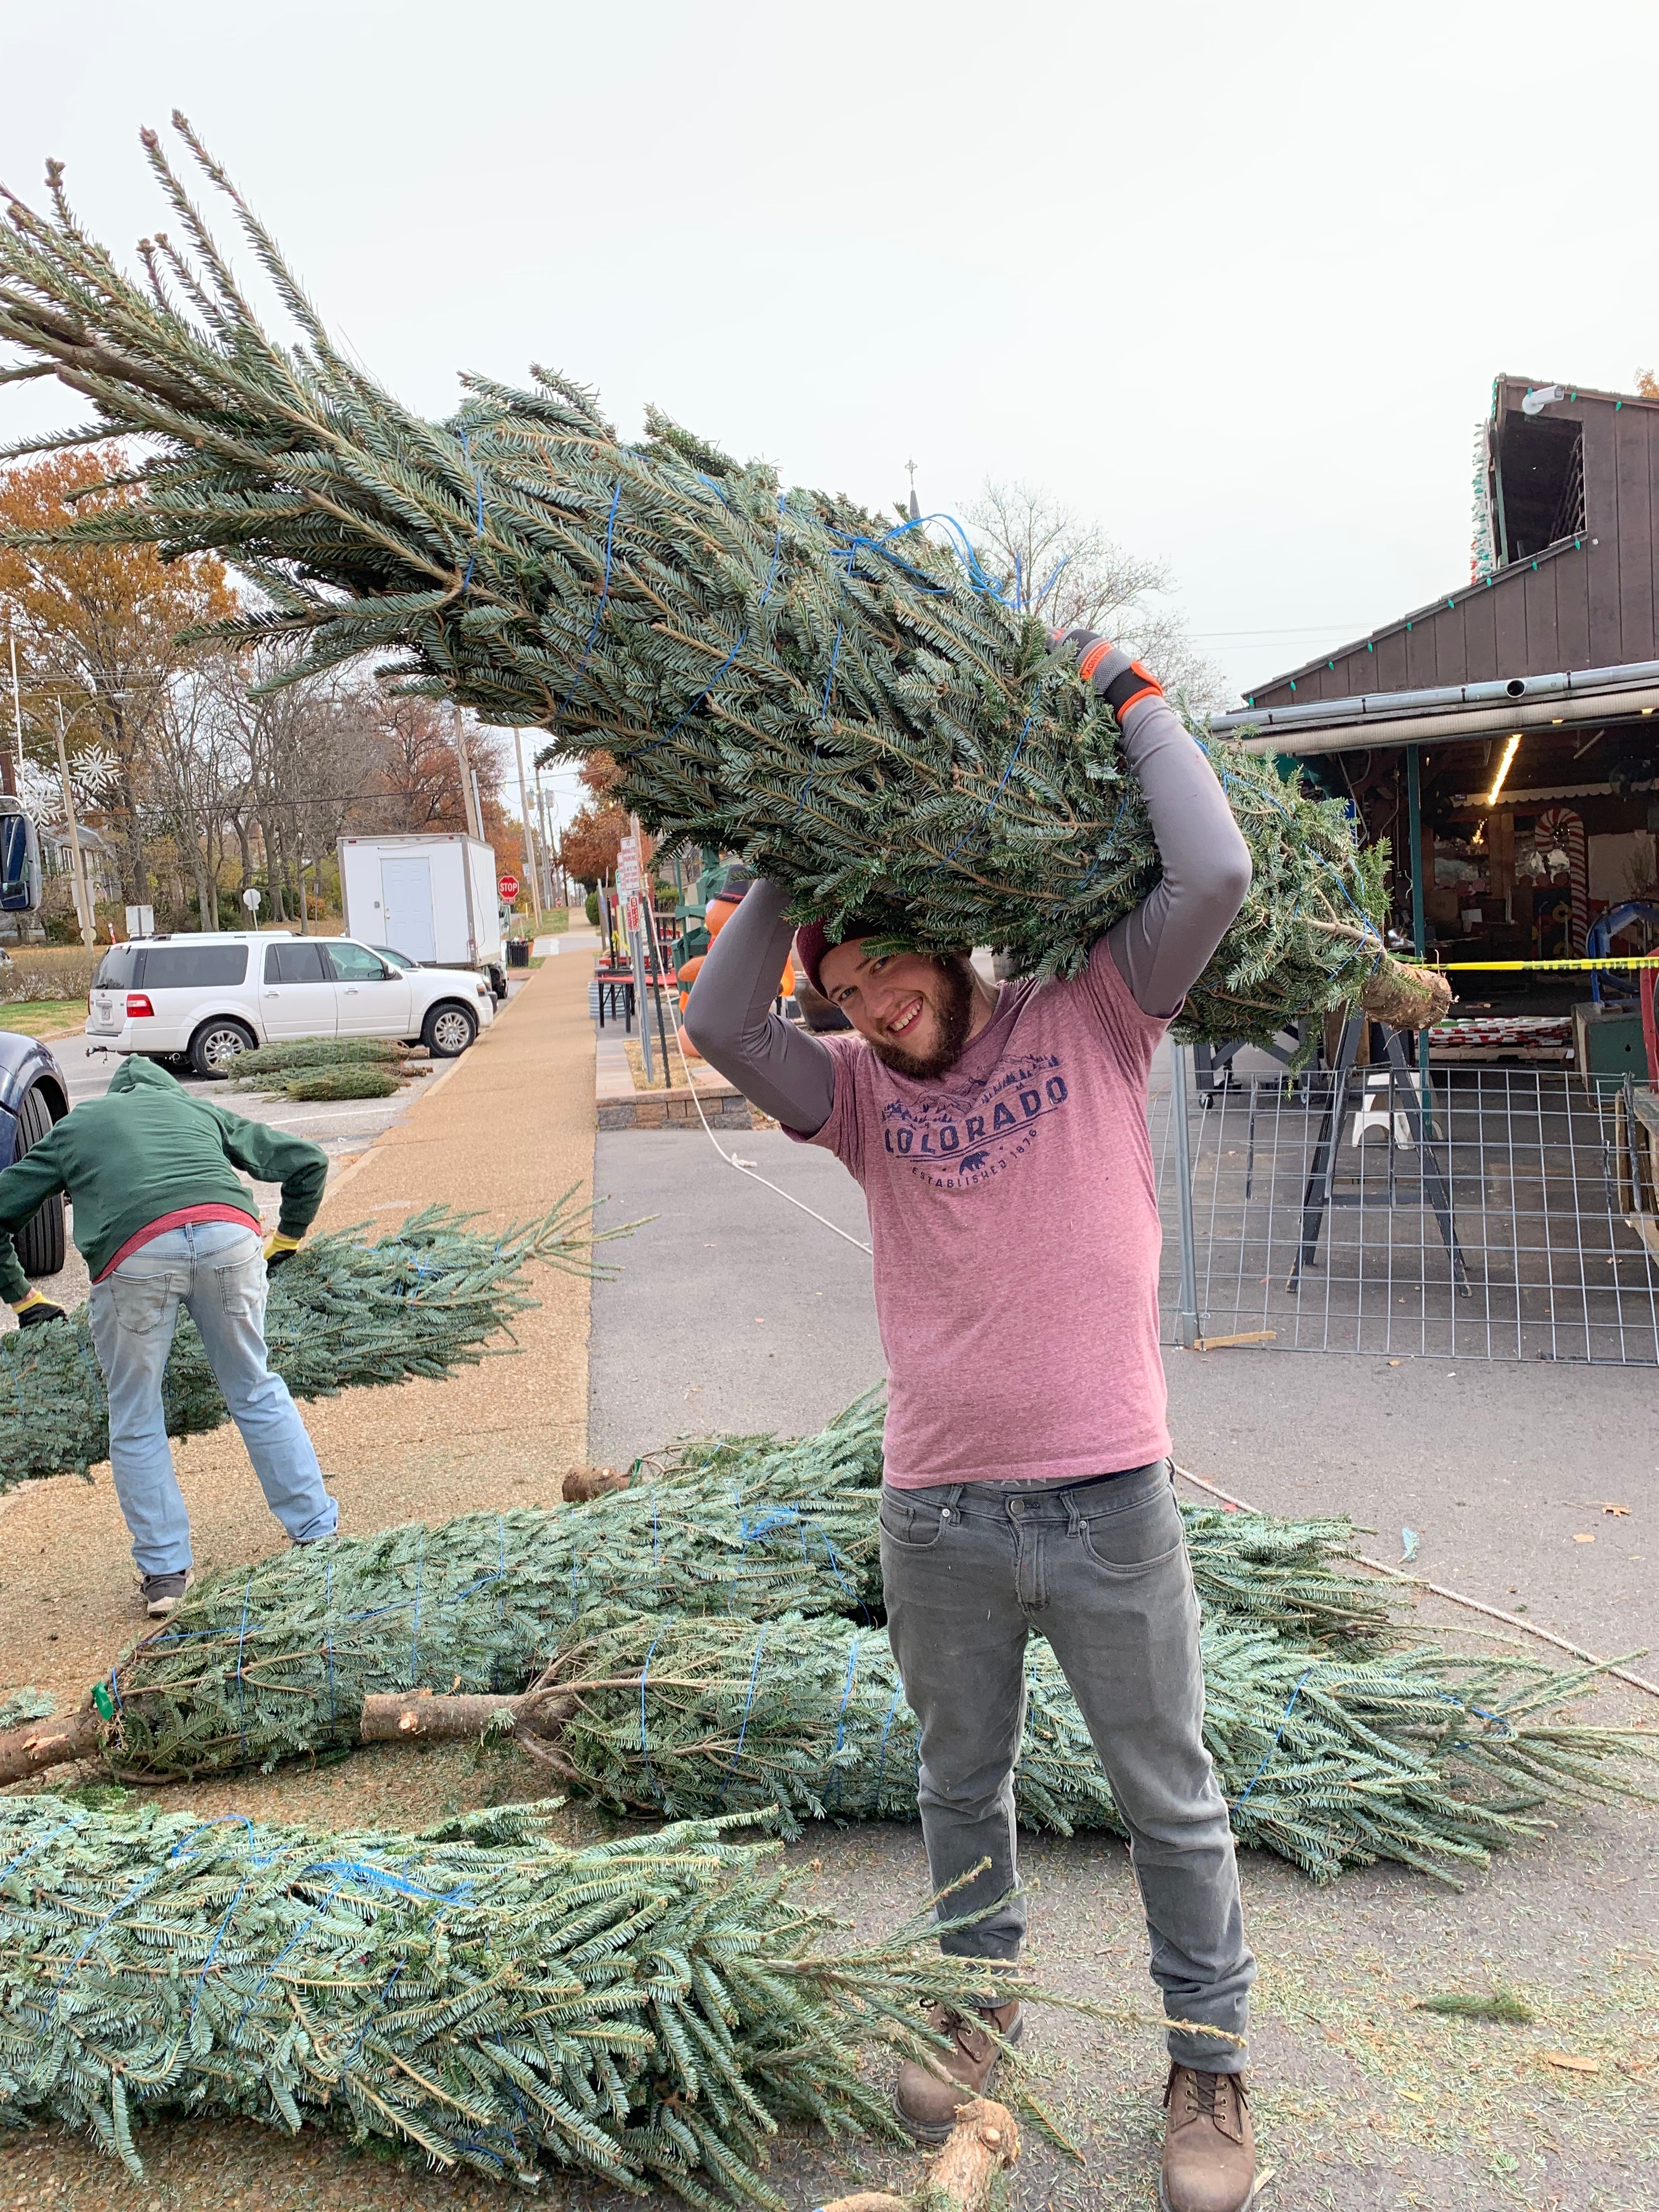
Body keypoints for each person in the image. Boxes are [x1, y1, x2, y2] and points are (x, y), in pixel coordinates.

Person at [686, 637, 1259, 2212]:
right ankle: (977, 1994)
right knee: (961, 1783)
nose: (874, 1008)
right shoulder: (863, 1102)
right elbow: (722, 1028)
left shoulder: (1097, 1017)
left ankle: (1209, 2061)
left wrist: (1135, 700)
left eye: (888, 975)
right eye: (850, 994)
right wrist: (791, 858)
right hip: (937, 1507)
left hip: (1106, 1498)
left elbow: (1211, 870)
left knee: (1169, 1791)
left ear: (946, 948)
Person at [0, 1056, 337, 1616]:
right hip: (230, 1240)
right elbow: (309, 1161)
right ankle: (317, 1534)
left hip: (135, 1259)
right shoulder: (195, 1109)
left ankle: (165, 1577)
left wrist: (24, 1298)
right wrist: (289, 1238)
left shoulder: (78, 1127)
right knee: (255, 1388)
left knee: (135, 1413)